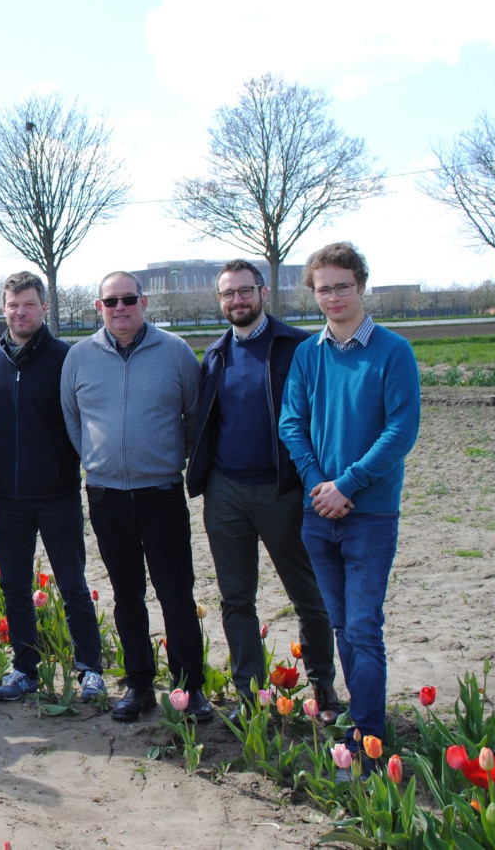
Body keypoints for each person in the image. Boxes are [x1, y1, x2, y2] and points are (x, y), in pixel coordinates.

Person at [279, 242, 420, 774]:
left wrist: (349, 485)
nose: (333, 296)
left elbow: (400, 431)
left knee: (363, 626)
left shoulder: (392, 351)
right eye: (323, 288)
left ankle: (370, 737)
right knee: (340, 624)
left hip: (370, 514)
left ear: (361, 286)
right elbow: (292, 423)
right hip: (319, 514)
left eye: (342, 285)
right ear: (313, 294)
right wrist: (319, 485)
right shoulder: (308, 355)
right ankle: (361, 720)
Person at [187, 260, 341, 722]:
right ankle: (249, 695)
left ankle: (323, 686)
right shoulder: (214, 356)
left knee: (308, 595)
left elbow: (322, 417)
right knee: (236, 599)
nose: (237, 300)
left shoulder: (298, 348)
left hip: (284, 492)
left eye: (245, 291)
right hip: (226, 493)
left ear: (264, 292)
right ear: (220, 301)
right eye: (228, 294)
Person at [61, 272, 212, 723]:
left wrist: (166, 458)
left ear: (144, 303)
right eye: (111, 301)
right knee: (127, 596)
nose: (120, 307)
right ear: (98, 306)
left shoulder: (176, 352)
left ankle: (191, 689)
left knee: (176, 594)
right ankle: (139, 685)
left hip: (161, 493)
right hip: (106, 496)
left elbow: (194, 415)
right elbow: (73, 420)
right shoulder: (80, 357)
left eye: (129, 299)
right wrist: (98, 459)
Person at [0, 272, 106, 703]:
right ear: (3, 308)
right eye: (12, 304)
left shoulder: (66, 358)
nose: (20, 312)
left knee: (71, 583)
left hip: (58, 494)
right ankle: (25, 669)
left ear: (44, 308)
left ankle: (90, 668)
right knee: (14, 585)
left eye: (29, 304)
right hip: (8, 498)